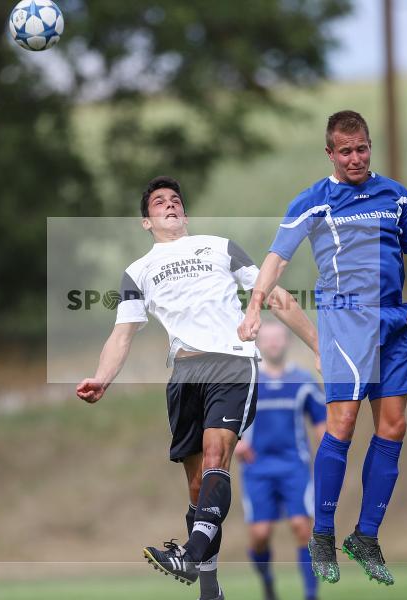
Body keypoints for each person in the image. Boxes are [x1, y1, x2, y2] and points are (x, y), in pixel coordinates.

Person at [76, 176, 318, 600]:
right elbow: (122, 335)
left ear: (183, 213)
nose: (169, 205)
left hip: (231, 361)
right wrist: (102, 377)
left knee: (215, 458)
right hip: (185, 376)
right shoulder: (138, 272)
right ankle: (210, 589)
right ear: (146, 222)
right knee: (196, 488)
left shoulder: (219, 247)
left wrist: (319, 347)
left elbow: (276, 296)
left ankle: (189, 556)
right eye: (158, 203)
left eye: (175, 201)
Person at [237, 110, 407, 587]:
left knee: (394, 425)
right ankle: (322, 534)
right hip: (346, 319)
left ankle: (366, 536)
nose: (355, 158)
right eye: (345, 151)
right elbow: (277, 258)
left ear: (370, 146)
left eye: (362, 148)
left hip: (394, 319)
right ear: (330, 153)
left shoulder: (396, 196)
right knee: (342, 420)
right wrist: (256, 304)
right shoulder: (315, 201)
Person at [235, 320, 326, 600]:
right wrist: (235, 442)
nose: (273, 343)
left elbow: (322, 423)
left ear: (287, 342)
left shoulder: (303, 381)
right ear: (258, 344)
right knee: (260, 535)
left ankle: (311, 595)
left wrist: (328, 459)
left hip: (294, 466)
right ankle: (268, 584)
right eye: (268, 339)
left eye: (278, 338)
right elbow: (222, 420)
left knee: (302, 527)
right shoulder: (246, 384)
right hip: (256, 468)